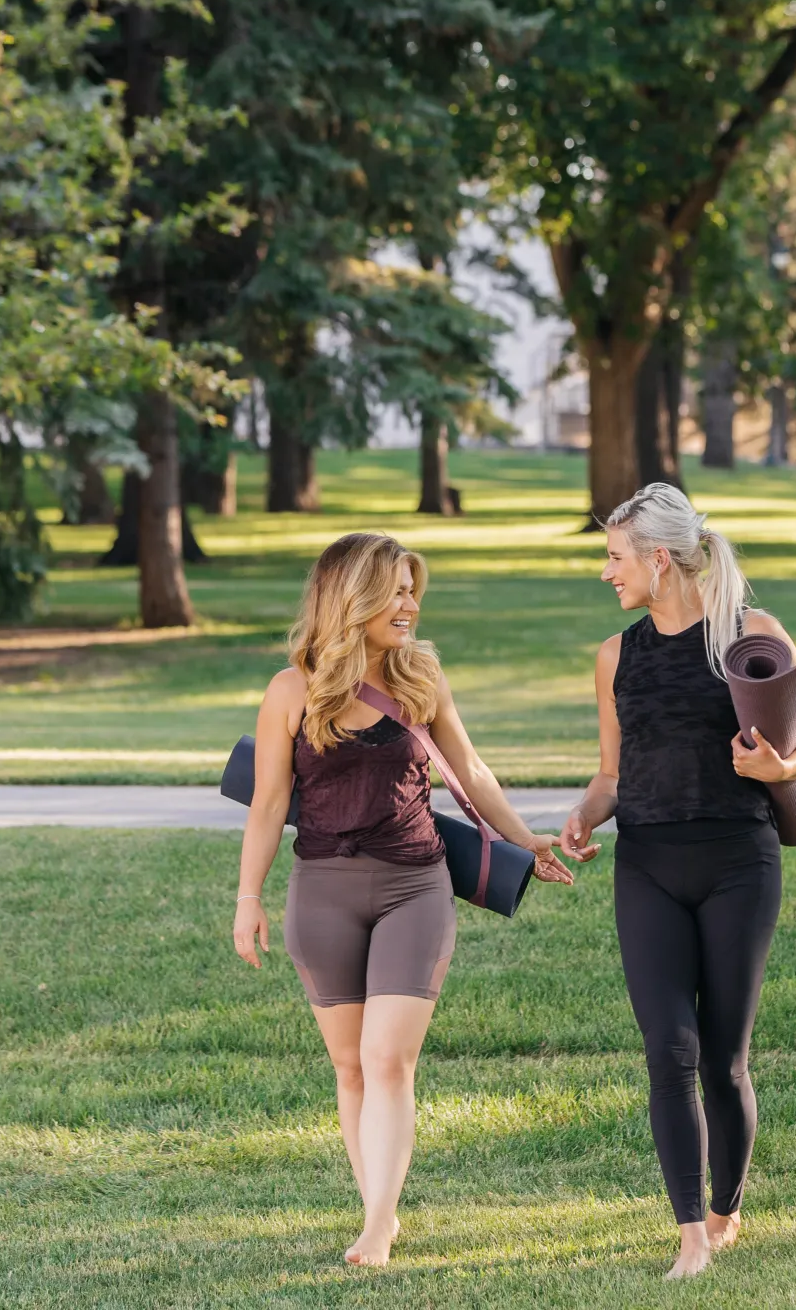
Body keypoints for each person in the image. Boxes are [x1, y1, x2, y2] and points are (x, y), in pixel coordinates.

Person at [234, 531, 576, 1268]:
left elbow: (472, 770)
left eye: (412, 588)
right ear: (349, 598)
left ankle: (376, 1226)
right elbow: (267, 804)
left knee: (388, 1058)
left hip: (415, 887)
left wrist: (526, 841)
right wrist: (246, 898)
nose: (410, 603)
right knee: (350, 1067)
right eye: (394, 590)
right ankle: (377, 1213)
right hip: (322, 892)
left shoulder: (421, 676)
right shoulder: (291, 690)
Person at [558, 483, 796, 1279]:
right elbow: (612, 773)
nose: (606, 573)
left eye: (615, 558)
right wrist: (585, 816)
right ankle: (689, 1237)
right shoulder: (615, 656)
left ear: (657, 559)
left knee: (724, 1057)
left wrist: (780, 766)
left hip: (738, 864)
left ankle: (726, 1210)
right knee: (668, 1051)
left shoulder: (750, 636)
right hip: (647, 863)